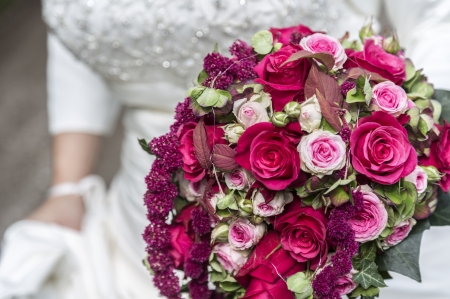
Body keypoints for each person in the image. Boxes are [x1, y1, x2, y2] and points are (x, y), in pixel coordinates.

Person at [0, 0, 449, 298]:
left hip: (335, 216)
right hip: (143, 227)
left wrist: (398, 117)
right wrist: (67, 186)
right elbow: (79, 32)